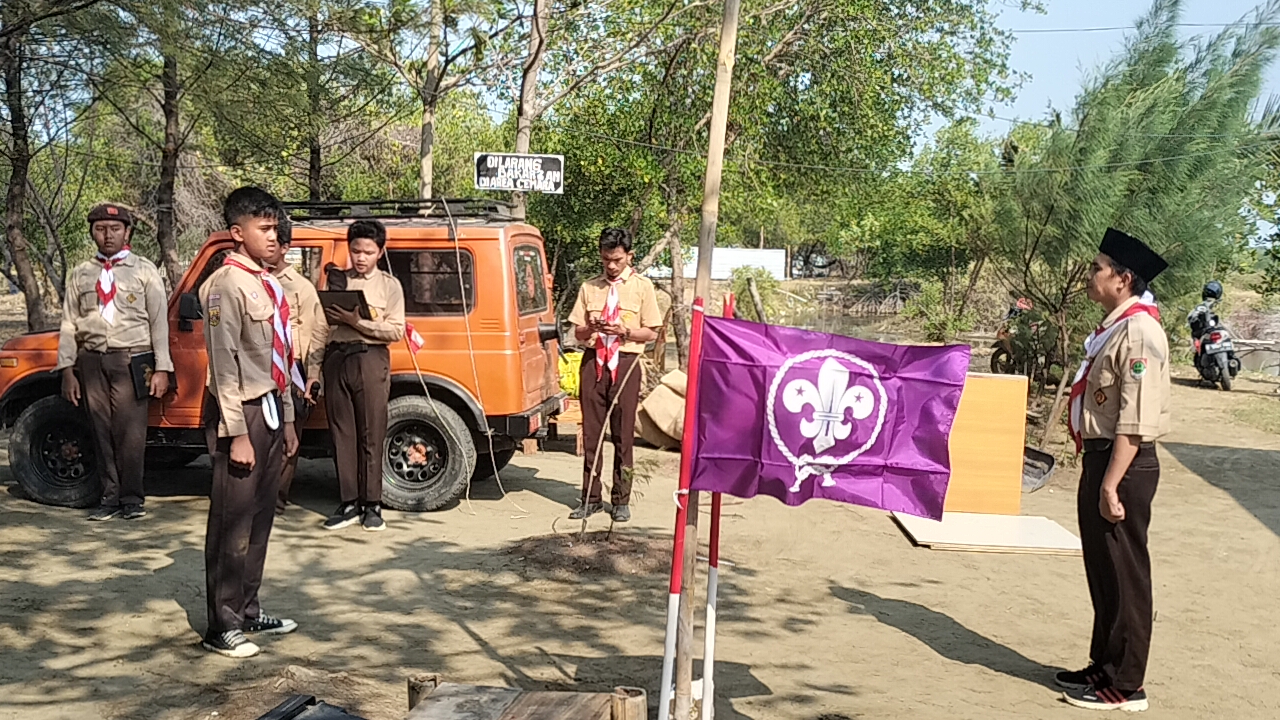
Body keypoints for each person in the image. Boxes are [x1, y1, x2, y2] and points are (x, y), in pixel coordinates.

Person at [1057, 227, 1170, 712]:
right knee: (1103, 571)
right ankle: (1103, 665)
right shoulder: (1116, 327)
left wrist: (1109, 483)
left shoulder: (1141, 331)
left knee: (1125, 574)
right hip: (1103, 459)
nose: (1089, 275)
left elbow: (1136, 418)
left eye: (1097, 269)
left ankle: (1127, 684)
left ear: (1123, 279)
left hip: (1123, 464)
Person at [199, 187, 300, 658]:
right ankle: (222, 624)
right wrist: (236, 432)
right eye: (263, 228)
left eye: (275, 227)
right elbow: (223, 365)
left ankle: (249, 611)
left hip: (271, 407)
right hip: (238, 411)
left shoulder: (268, 282)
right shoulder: (225, 284)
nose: (274, 236)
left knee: (260, 515)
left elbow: (279, 355)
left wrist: (290, 419)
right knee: (232, 519)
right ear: (237, 233)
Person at [56, 203, 171, 522]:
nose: (108, 235)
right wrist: (68, 370)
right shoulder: (81, 273)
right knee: (100, 429)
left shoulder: (144, 269)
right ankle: (109, 497)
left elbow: (159, 321)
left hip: (131, 358)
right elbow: (69, 322)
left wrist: (162, 367)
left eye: (115, 229)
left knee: (130, 432)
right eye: (100, 229)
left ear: (127, 232)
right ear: (93, 232)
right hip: (91, 361)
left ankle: (132, 498)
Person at [567, 227, 662, 523]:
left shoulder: (642, 287)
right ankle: (590, 498)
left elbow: (652, 331)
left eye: (617, 260)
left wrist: (626, 331)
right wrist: (592, 327)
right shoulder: (589, 288)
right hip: (593, 362)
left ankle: (621, 500)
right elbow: (577, 331)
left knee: (623, 436)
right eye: (606, 259)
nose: (611, 266)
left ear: (629, 257)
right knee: (592, 434)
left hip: (627, 363)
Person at [321, 219, 404, 532]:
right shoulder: (339, 280)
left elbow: (395, 329)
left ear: (379, 252)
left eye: (368, 251)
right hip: (337, 357)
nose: (360, 257)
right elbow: (323, 323)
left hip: (370, 357)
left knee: (371, 431)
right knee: (342, 434)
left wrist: (359, 322)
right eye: (356, 250)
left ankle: (373, 504)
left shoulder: (389, 286)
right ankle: (349, 502)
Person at [270, 209, 329, 515]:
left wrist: (313, 377)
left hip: (291, 374)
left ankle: (275, 500)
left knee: (287, 443)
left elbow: (318, 334)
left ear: (285, 248)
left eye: (275, 241)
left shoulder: (301, 288)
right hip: (255, 373)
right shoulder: (245, 280)